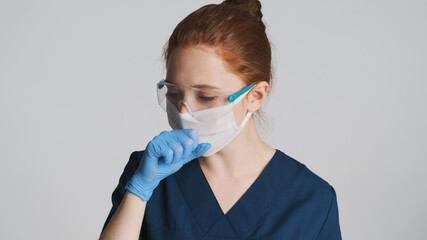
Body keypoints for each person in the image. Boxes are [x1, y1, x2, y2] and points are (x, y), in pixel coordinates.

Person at [99, 0, 342, 239]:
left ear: (256, 96)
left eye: (205, 97)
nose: (183, 112)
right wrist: (138, 192)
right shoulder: (147, 175)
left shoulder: (311, 201)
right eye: (174, 94)